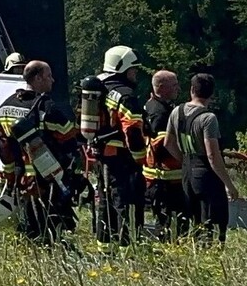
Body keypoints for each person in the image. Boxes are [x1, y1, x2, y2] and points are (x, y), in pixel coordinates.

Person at [0, 60, 83, 242]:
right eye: (48, 76)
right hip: (46, 176)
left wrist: (10, 175)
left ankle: (29, 253)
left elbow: (3, 145)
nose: (53, 80)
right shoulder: (46, 107)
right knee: (49, 225)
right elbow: (68, 137)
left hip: (21, 177)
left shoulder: (5, 106)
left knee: (27, 223)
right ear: (37, 78)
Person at [165, 73, 240, 243]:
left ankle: (196, 255)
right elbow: (212, 155)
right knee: (214, 223)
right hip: (206, 175)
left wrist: (184, 160)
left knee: (195, 221)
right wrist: (229, 185)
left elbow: (168, 143)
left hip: (187, 173)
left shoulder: (177, 111)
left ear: (191, 89)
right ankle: (212, 255)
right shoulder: (208, 118)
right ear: (211, 94)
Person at [92, 45, 148, 245]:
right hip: (122, 161)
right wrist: (141, 159)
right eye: (133, 69)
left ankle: (105, 249)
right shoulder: (125, 95)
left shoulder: (98, 87)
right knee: (127, 204)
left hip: (102, 157)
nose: (135, 73)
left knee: (105, 203)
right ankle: (129, 248)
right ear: (123, 68)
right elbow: (132, 131)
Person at [143, 70, 185, 237]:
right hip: (165, 178)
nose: (178, 88)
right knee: (169, 221)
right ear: (161, 88)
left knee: (168, 220)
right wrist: (184, 158)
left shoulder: (154, 105)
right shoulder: (159, 113)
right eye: (174, 85)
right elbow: (163, 143)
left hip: (162, 178)